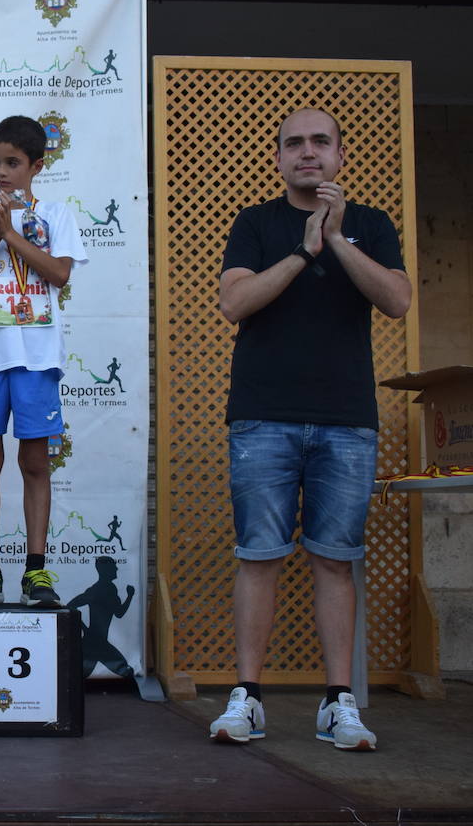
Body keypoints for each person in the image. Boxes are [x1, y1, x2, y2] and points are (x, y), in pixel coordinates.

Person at [210, 108, 409, 752]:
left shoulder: (373, 225)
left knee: (335, 560)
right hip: (263, 415)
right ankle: (248, 700)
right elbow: (235, 302)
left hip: (347, 421)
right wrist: (304, 248)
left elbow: (399, 300)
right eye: (293, 143)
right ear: (278, 158)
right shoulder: (257, 223)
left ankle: (338, 704)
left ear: (340, 156)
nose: (307, 153)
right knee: (259, 556)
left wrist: (340, 237)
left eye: (320, 142)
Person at [0, 115, 86, 608]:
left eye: (12, 163)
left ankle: (36, 571)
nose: (2, 173)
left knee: (35, 463)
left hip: (36, 360)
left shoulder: (58, 216)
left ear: (36, 166)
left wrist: (13, 236)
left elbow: (60, 274)